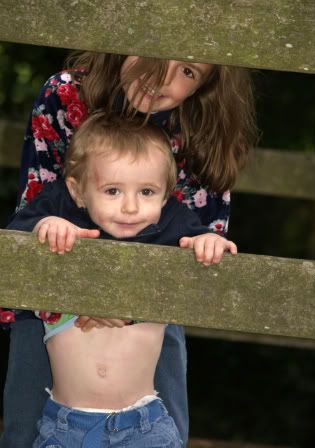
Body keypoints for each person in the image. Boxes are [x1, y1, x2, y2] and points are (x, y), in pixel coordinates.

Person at [0, 52, 256, 447]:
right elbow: (30, 220)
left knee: (169, 422)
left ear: (205, 87)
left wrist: (134, 298)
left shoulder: (201, 127)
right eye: (156, 55)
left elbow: (205, 246)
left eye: (188, 71)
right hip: (55, 295)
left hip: (156, 302)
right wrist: (77, 292)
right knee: (22, 431)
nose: (163, 77)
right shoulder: (66, 94)